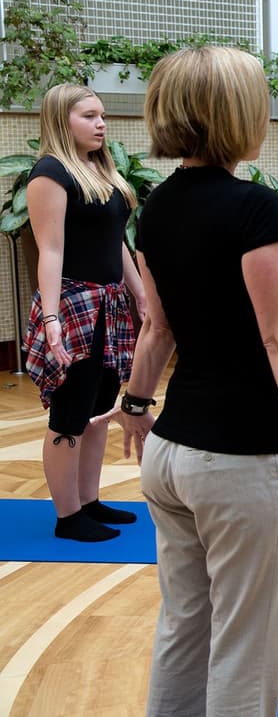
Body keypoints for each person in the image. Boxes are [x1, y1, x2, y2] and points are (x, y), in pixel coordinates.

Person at [111, 46, 278, 716]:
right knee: (245, 647)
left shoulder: (156, 207)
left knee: (184, 627)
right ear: (234, 114)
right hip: (236, 463)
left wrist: (136, 404)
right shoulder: (254, 208)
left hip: (168, 457)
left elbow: (158, 329)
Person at [22, 84, 145, 542]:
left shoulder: (99, 169)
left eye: (102, 115)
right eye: (89, 116)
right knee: (70, 413)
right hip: (76, 306)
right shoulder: (50, 173)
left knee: (99, 409)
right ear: (62, 120)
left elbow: (115, 240)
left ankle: (89, 501)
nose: (101, 124)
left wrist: (141, 295)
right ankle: (68, 516)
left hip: (110, 304)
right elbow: (50, 250)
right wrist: (51, 319)